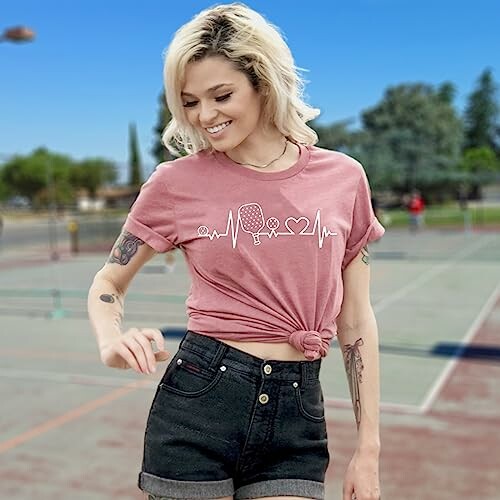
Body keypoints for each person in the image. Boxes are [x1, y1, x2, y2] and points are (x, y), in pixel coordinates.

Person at [87, 4, 384, 500]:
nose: (205, 116)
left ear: (263, 83)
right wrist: (109, 340)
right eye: (189, 102)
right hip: (200, 401)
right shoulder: (176, 184)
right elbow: (107, 283)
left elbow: (355, 320)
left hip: (299, 412)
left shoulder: (344, 179)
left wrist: (369, 449)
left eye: (221, 95)